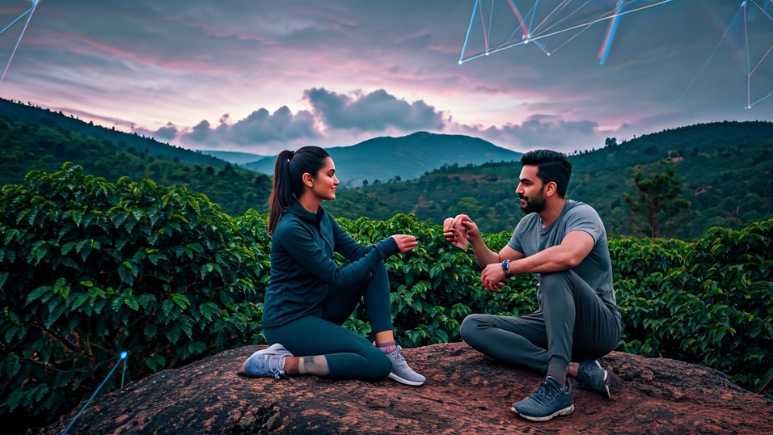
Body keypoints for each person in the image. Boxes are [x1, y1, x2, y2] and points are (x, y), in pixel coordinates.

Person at [444, 150, 622, 421]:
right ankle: (578, 370)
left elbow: (568, 256)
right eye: (520, 182)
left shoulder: (582, 215)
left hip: (597, 327)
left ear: (550, 188)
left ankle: (557, 386)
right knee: (473, 326)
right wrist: (475, 238)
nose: (518, 189)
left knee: (555, 272)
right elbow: (496, 264)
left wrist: (507, 268)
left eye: (526, 183)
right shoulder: (528, 224)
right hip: (553, 324)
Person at [239, 146, 425, 386]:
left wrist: (390, 246)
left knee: (374, 264)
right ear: (308, 179)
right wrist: (384, 247)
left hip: (319, 309)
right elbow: (336, 277)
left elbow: (358, 253)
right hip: (289, 323)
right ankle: (282, 363)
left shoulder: (322, 217)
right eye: (330, 174)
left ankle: (387, 348)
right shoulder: (291, 229)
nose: (336, 181)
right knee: (376, 365)